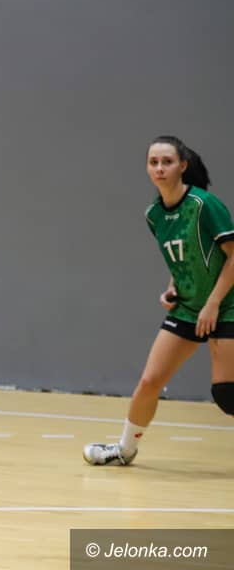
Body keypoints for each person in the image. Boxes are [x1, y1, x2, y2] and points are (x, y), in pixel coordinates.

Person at [84, 136, 234, 466]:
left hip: (226, 305)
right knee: (150, 382)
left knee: (227, 394)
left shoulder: (204, 205)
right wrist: (172, 287)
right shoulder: (154, 215)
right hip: (189, 307)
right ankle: (124, 450)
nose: (160, 168)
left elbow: (232, 256)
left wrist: (212, 304)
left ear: (183, 166)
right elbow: (185, 258)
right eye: (153, 162)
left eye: (167, 161)